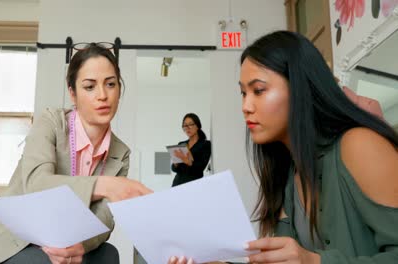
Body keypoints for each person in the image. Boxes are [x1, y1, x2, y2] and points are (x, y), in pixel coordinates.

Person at [168, 30, 398, 264]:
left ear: (301, 86)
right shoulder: (287, 174)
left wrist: (314, 262)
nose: (245, 106)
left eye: (258, 90)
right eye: (243, 93)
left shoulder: (359, 145)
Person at [0, 43, 153, 264]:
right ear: (73, 93)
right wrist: (104, 185)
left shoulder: (120, 153)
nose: (102, 95)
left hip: (70, 238)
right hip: (20, 237)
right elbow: (37, 185)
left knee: (109, 254)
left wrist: (80, 246)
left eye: (110, 84)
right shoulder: (51, 122)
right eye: (89, 86)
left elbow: (104, 218)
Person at [171, 113, 211, 187]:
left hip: (193, 185)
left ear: (197, 126)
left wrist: (187, 161)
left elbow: (200, 168)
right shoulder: (181, 144)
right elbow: (174, 169)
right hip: (177, 184)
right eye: (185, 125)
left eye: (190, 124)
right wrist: (175, 164)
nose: (187, 128)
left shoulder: (206, 144)